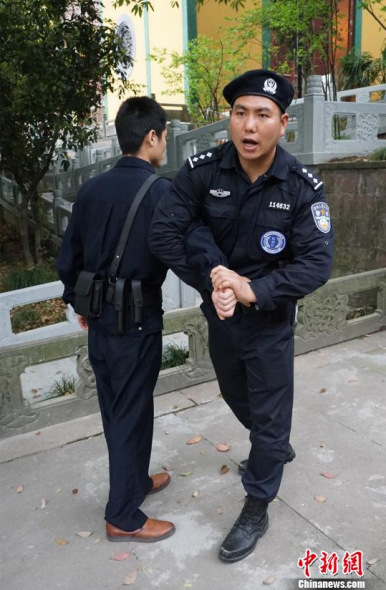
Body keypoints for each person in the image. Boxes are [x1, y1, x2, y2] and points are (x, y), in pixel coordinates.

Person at [149, 69, 334, 562]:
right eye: (240, 113)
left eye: (262, 116)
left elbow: (317, 262)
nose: (249, 127)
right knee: (235, 393)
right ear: (229, 118)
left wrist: (253, 289)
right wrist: (214, 280)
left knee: (270, 416)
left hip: (270, 320)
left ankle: (258, 502)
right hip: (221, 315)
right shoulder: (202, 171)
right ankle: (273, 446)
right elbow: (165, 232)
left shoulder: (300, 186)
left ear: (283, 123)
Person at [56, 96, 177, 543]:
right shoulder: (161, 192)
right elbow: (180, 254)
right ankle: (123, 515)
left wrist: (80, 303)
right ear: (151, 137)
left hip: (101, 322)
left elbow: (69, 260)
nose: (163, 144)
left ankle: (135, 482)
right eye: (163, 135)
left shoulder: (90, 190)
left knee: (118, 410)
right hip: (138, 322)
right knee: (131, 411)